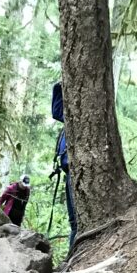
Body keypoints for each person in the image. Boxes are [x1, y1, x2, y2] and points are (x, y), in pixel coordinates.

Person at [51, 81, 78, 247]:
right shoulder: (71, 119)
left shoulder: (80, 118)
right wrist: (59, 87)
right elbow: (56, 112)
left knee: (76, 220)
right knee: (73, 220)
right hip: (69, 172)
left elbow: (58, 113)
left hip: (76, 172)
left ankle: (73, 254)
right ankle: (72, 255)